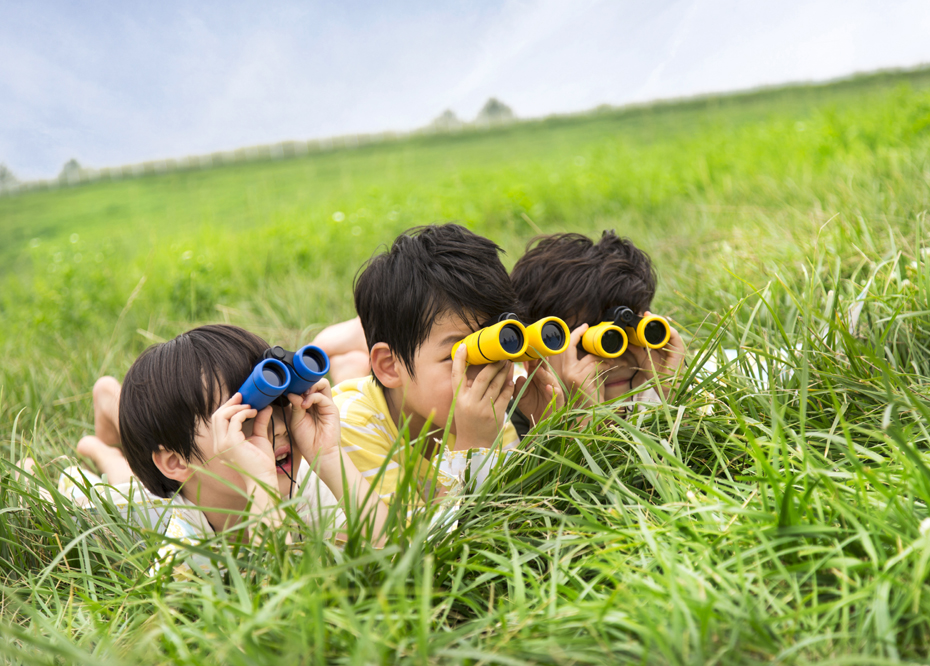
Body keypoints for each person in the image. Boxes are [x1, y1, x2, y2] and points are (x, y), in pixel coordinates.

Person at [58, 324, 388, 573]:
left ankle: (110, 413)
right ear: (176, 461)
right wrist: (261, 485)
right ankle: (103, 440)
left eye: (280, 405)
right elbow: (282, 600)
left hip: (194, 480)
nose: (278, 428)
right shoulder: (182, 550)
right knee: (106, 485)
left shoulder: (306, 483)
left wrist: (329, 457)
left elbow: (398, 551)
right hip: (152, 500)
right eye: (243, 419)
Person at [331, 223, 562, 502]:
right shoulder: (348, 427)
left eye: (493, 352)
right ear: (390, 366)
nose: (483, 376)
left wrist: (547, 434)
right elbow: (418, 544)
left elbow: (516, 511)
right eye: (459, 356)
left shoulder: (483, 415)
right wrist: (473, 448)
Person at [509, 230, 686, 410]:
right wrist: (583, 420)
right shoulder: (505, 417)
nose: (615, 362)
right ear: (533, 355)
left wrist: (676, 393)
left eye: (627, 335)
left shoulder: (677, 388)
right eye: (586, 344)